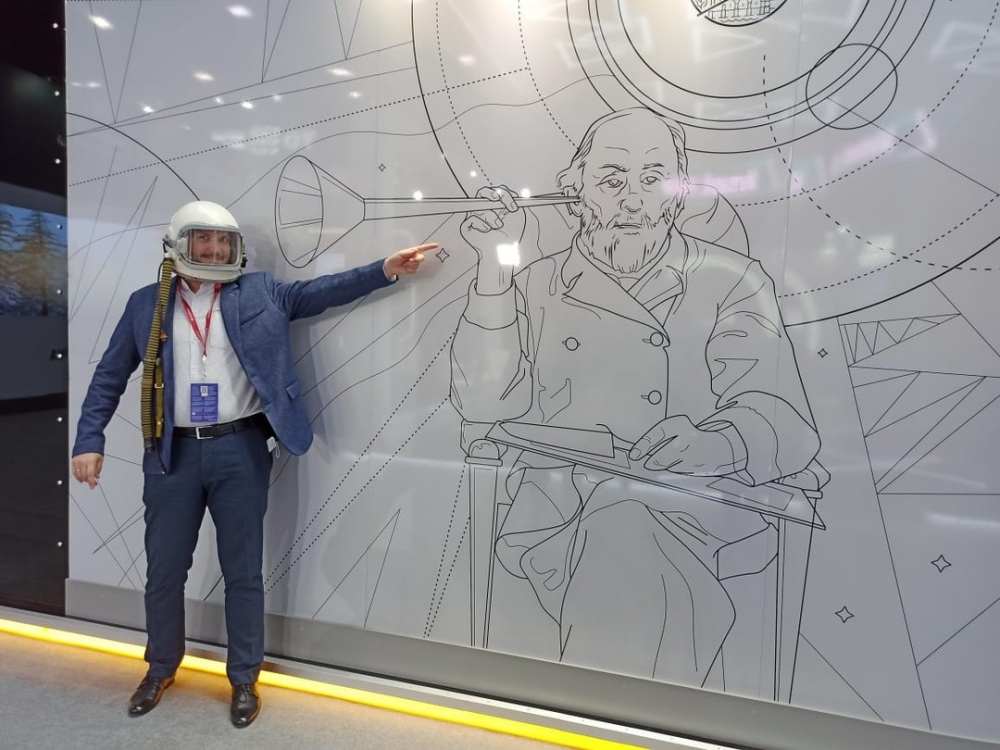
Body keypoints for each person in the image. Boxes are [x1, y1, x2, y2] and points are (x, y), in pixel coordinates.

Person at [450, 108, 820, 686]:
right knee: (621, 529)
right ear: (576, 190)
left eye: (652, 179)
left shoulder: (730, 279)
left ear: (679, 190)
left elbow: (778, 409)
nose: (632, 199)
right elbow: (484, 403)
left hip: (696, 499)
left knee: (627, 526)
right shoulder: (537, 283)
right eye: (612, 179)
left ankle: (602, 708)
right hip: (558, 501)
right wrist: (494, 268)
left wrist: (717, 444)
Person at [72, 200, 432, 726]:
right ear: (178, 243)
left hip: (240, 449)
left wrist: (384, 269)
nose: (215, 249)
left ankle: (244, 677)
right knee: (164, 572)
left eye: (224, 240)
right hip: (171, 454)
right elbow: (109, 376)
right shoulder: (146, 304)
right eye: (204, 239)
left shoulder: (260, 292)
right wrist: (88, 439)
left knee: (243, 571)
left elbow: (320, 292)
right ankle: (159, 667)